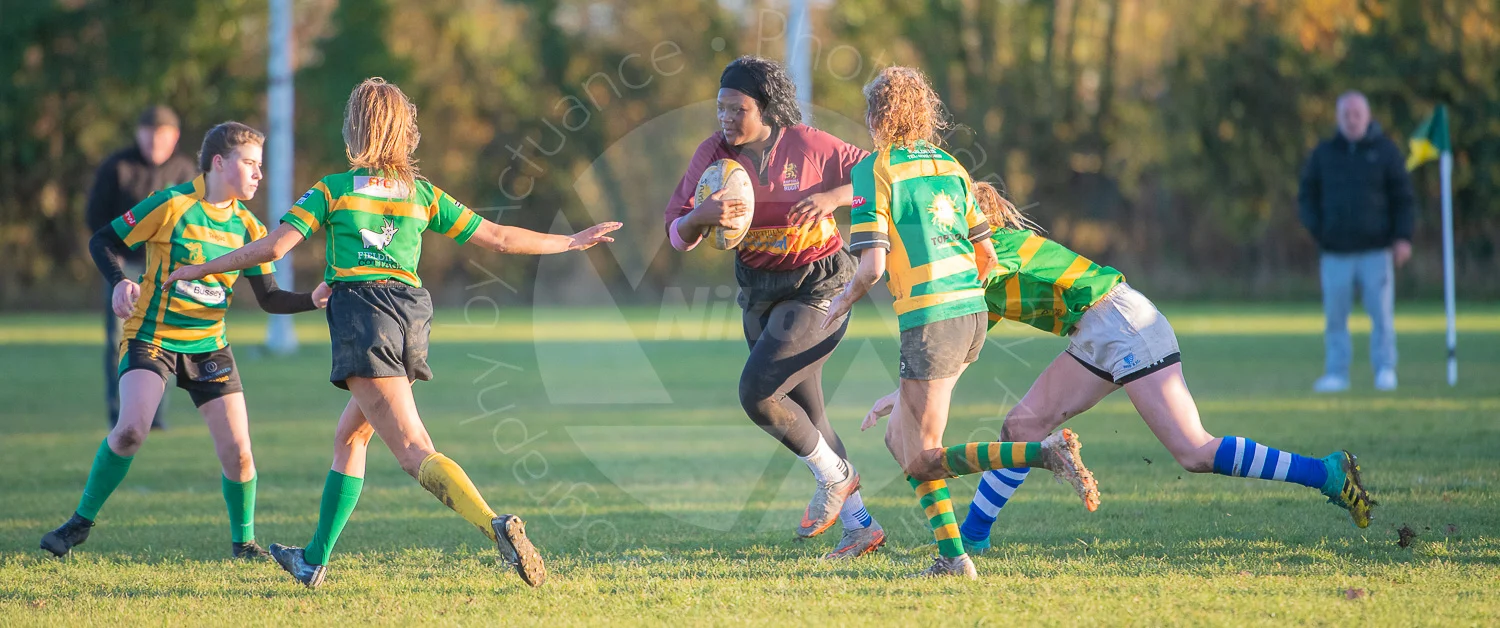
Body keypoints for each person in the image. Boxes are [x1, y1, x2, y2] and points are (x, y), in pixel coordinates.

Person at [164, 78, 621, 589]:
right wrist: (570, 241)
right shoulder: (420, 195)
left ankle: (494, 526)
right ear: (404, 132)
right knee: (351, 437)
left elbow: (273, 249)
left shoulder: (333, 190)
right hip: (411, 317)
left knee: (413, 448)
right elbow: (497, 236)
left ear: (356, 129)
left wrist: (200, 269)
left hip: (364, 316)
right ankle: (313, 560)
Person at [876, 181, 1374, 557]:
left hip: (1123, 323)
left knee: (1194, 452)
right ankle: (974, 540)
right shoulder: (977, 275)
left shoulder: (995, 254)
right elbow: (958, 347)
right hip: (1095, 334)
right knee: (1023, 426)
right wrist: (904, 396)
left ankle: (1325, 473)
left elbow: (947, 331)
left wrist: (910, 388)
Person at [825, 67, 1099, 579]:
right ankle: (953, 560)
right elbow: (988, 256)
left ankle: (1043, 454)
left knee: (922, 456)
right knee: (899, 443)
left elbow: (872, 267)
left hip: (932, 319)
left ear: (876, 115)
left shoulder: (874, 169)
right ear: (922, 111)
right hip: (970, 314)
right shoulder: (949, 164)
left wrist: (841, 302)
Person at [41, 122, 331, 560]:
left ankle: (244, 544)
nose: (258, 174)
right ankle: (78, 524)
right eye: (250, 164)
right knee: (131, 431)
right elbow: (103, 240)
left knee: (239, 453)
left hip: (209, 346)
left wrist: (313, 299)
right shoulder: (172, 205)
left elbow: (269, 298)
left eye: (260, 165)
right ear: (219, 163)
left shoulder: (250, 227)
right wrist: (119, 281)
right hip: (152, 337)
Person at [665, 56, 885, 559]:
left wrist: (834, 196)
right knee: (810, 416)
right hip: (760, 292)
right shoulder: (713, 154)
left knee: (756, 393)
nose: (724, 117)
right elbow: (675, 235)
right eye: (719, 107)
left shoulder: (807, 144)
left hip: (819, 287)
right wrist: (701, 214)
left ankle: (836, 481)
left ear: (765, 109)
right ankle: (861, 528)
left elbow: (881, 178)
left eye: (735, 108)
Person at [86, 105, 198, 429]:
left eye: (162, 135)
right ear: (139, 134)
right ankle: (119, 412)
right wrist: (115, 262)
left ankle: (153, 416)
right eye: (148, 134)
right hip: (125, 266)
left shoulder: (184, 170)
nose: (154, 142)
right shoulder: (117, 166)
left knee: (161, 340)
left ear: (174, 137)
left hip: (166, 270)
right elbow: (95, 218)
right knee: (119, 340)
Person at [1298, 90, 1416, 392]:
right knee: (1336, 318)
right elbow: (1306, 197)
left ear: (1367, 116)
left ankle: (1385, 370)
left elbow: (1403, 197)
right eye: (1346, 115)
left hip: (1377, 251)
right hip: (1335, 252)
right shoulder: (1323, 153)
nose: (1352, 120)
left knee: (1382, 316)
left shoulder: (1386, 152)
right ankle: (1337, 374)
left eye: (1357, 114)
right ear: (1338, 118)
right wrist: (1320, 231)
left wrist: (1402, 237)